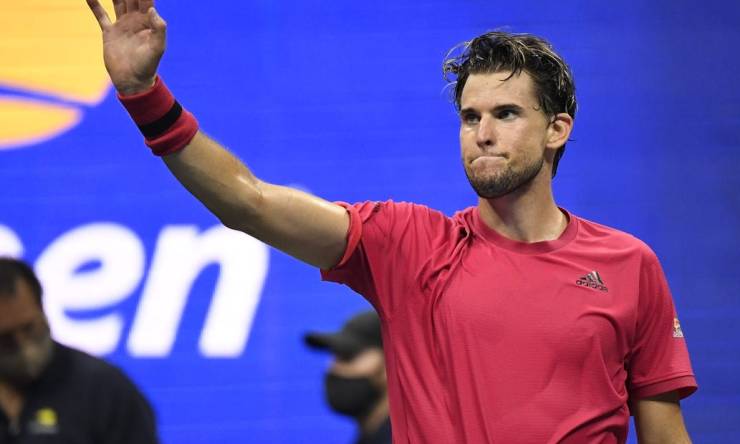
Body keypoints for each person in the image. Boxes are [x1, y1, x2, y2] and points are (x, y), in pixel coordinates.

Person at [85, 1, 698, 442]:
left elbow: (664, 431)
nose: (482, 134)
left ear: (557, 130)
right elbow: (251, 202)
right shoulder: (408, 243)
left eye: (506, 113)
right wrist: (145, 94)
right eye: (468, 117)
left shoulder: (628, 264)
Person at [0, 258, 159, 444]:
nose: (24, 345)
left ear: (42, 309)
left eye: (29, 328)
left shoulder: (104, 391)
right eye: (6, 338)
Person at [305, 310, 391, 444]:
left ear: (391, 364)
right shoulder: (371, 434)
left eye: (347, 356)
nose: (334, 367)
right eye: (335, 355)